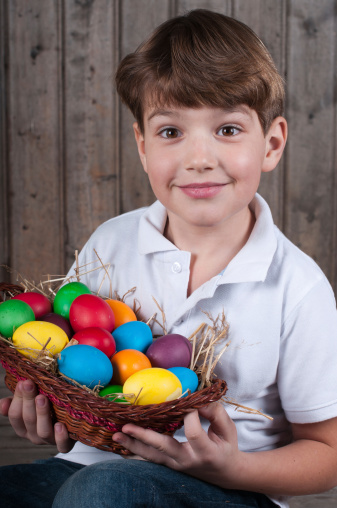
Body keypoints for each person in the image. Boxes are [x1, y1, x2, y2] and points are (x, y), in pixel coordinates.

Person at [1, 9, 337, 508]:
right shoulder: (111, 243)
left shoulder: (297, 287)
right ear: (141, 145)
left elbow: (326, 455)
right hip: (89, 468)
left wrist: (233, 466)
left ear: (271, 144)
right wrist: (52, 413)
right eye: (170, 132)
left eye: (226, 130)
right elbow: (78, 364)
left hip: (231, 491)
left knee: (104, 490)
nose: (198, 158)